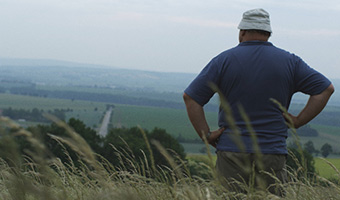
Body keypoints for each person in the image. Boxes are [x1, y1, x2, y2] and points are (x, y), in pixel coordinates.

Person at [183, 8, 334, 196]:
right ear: (268, 33)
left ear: (242, 31)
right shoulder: (290, 61)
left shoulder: (223, 60)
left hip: (232, 151)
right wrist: (297, 121)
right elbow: (325, 89)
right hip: (272, 152)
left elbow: (191, 98)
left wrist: (206, 135)